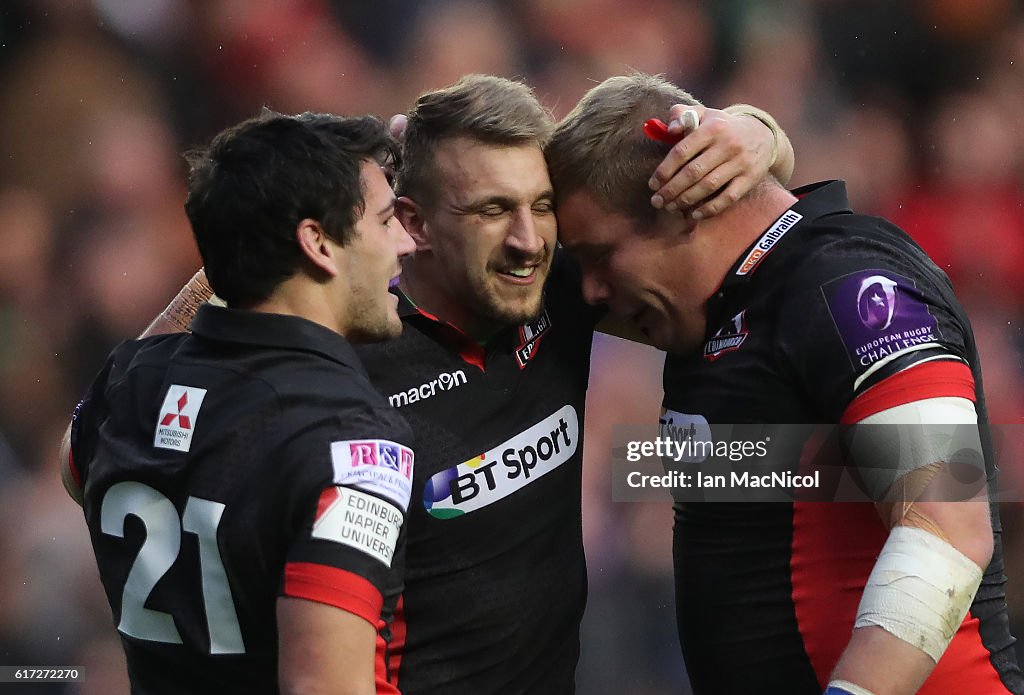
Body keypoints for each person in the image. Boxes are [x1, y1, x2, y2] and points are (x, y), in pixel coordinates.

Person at [90, 73, 795, 694]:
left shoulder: (557, 284)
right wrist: (248, 241)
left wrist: (757, 134)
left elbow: (734, 243)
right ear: (413, 223)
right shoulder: (331, 380)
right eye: (491, 210)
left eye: (541, 205)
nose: (527, 238)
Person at [548, 72, 1023, 695]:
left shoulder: (846, 281)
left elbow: (945, 526)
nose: (590, 291)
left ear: (688, 198)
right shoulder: (709, 310)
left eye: (598, 258)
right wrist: (760, 128)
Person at [60, 111, 417, 694]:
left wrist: (242, 246)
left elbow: (72, 467)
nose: (404, 241)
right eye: (384, 221)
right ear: (318, 242)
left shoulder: (129, 381)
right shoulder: (352, 437)